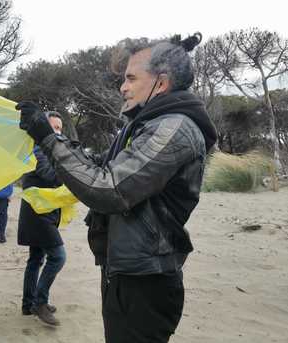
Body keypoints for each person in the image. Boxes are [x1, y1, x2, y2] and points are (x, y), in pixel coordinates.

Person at [17, 33, 217, 343]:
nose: (123, 87)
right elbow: (98, 165)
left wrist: (48, 138)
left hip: (145, 280)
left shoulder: (173, 127)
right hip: (126, 270)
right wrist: (51, 139)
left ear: (161, 83)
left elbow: (109, 188)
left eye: (131, 78)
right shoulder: (144, 126)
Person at [18, 111, 66, 326]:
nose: (57, 132)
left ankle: (28, 304)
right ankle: (39, 302)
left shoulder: (49, 150)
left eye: (59, 128)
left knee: (36, 259)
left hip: (43, 211)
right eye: (53, 127)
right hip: (37, 213)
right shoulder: (37, 149)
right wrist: (70, 169)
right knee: (58, 257)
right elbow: (52, 177)